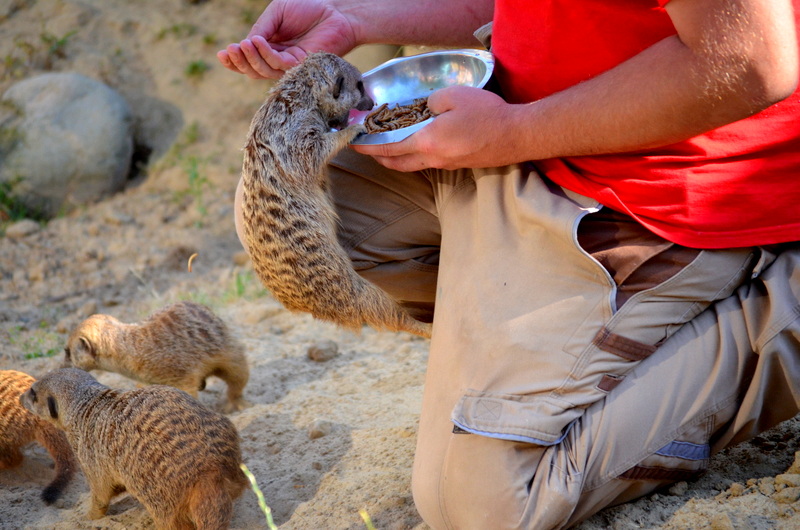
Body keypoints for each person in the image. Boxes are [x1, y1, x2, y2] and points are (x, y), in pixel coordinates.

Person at [219, 0, 800, 528]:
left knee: (482, 505)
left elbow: (752, 59)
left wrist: (511, 134)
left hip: (663, 198)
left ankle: (781, 309)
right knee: (303, 242)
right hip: (525, 139)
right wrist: (360, 17)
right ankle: (557, 349)